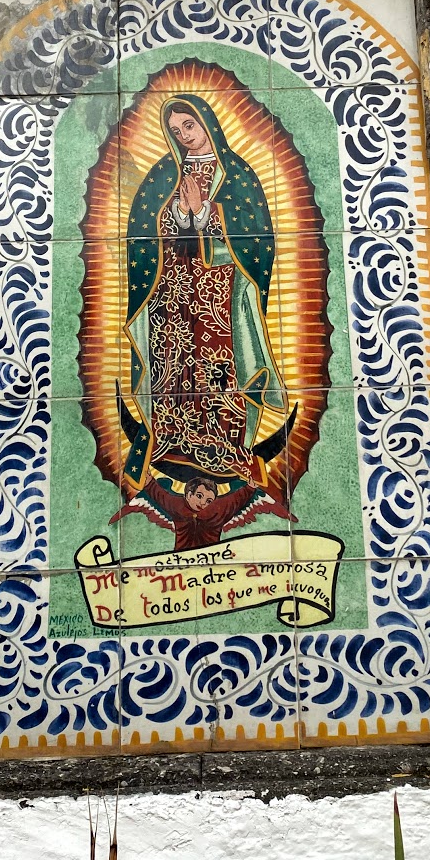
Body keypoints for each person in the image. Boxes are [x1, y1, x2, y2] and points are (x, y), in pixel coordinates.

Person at [113, 92, 294, 549]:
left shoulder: (237, 175)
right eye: (175, 131)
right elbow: (145, 231)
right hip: (173, 290)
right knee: (175, 366)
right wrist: (178, 216)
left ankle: (226, 447)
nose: (183, 136)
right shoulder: (165, 174)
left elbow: (254, 239)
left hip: (218, 290)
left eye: (189, 126)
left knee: (216, 367)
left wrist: (205, 213)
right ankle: (172, 438)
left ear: (207, 123)